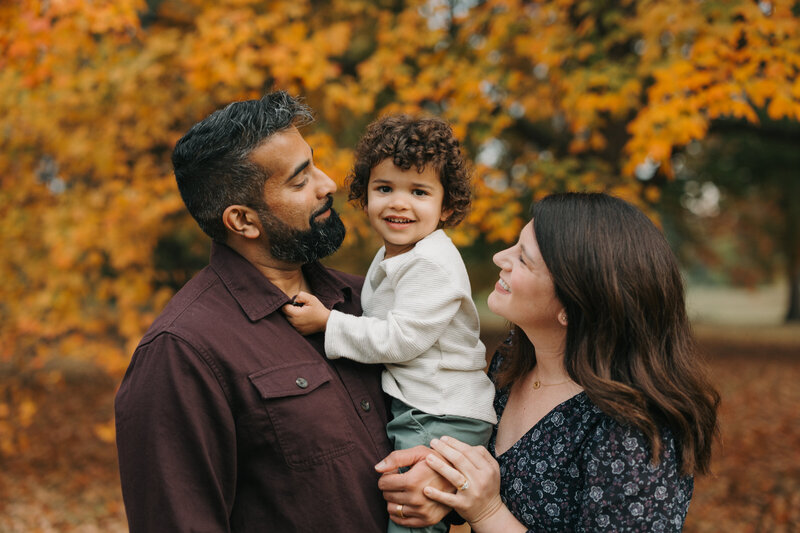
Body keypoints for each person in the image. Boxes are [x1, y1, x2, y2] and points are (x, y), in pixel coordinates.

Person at [114, 92, 444, 532]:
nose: (328, 184)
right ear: (243, 221)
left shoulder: (369, 301)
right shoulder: (181, 352)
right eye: (300, 180)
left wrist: (441, 482)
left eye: (315, 163)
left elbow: (445, 405)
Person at [377, 192, 721, 532]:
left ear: (573, 306)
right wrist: (440, 481)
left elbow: (490, 503)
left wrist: (488, 512)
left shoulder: (635, 433)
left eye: (524, 260)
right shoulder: (514, 359)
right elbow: (487, 477)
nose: (500, 257)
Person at [283, 114, 497, 533]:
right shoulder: (396, 255)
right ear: (364, 196)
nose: (399, 203)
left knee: (409, 514)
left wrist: (329, 323)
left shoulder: (432, 264)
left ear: (446, 206)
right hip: (426, 405)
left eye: (419, 192)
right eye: (384, 189)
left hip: (440, 412)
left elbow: (400, 339)